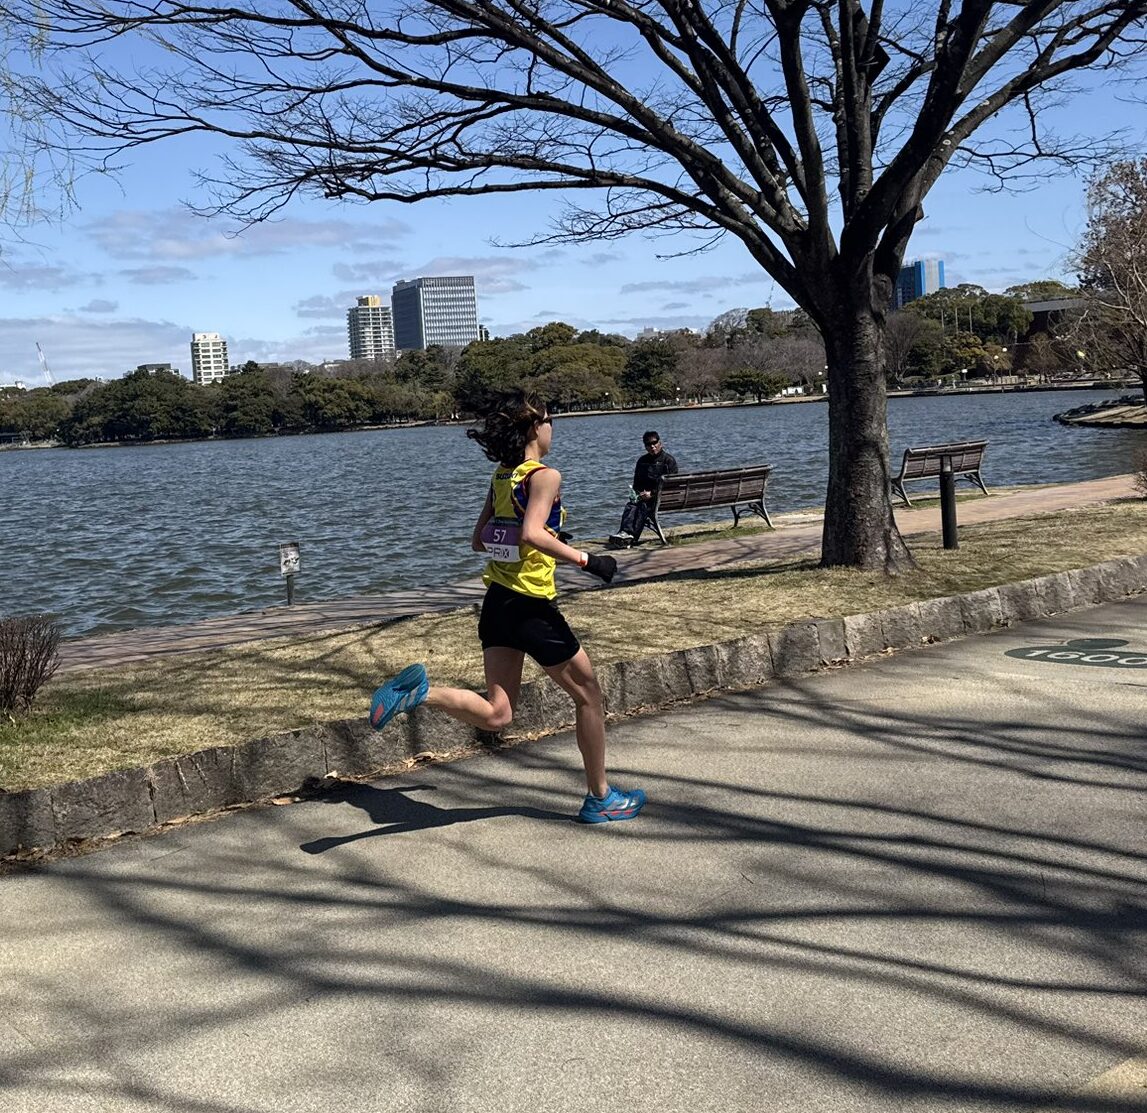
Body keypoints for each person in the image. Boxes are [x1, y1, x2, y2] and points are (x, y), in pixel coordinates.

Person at [368, 391, 646, 824]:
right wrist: (589, 561)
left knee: (498, 713)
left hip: (497, 603)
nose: (553, 428)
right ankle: (600, 797)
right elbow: (533, 534)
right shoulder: (545, 476)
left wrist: (527, 536)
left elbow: (480, 539)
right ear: (534, 428)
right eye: (550, 419)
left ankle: (420, 692)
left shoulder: (502, 478)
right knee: (590, 696)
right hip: (532, 607)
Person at [608, 430, 679, 548]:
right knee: (632, 505)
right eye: (648, 444)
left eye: (654, 443)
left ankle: (629, 537)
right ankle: (625, 534)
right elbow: (637, 483)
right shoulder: (642, 461)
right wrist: (638, 493)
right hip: (645, 498)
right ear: (645, 446)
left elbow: (672, 485)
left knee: (642, 506)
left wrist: (652, 494)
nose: (652, 446)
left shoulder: (668, 461)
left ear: (660, 443)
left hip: (663, 499)